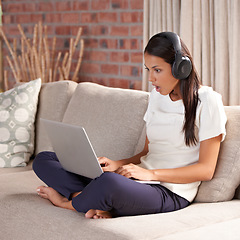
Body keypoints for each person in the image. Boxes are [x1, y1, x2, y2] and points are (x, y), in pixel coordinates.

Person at [33, 32, 227, 219]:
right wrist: (119, 164)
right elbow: (146, 152)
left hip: (170, 191)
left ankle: (68, 202)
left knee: (109, 183)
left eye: (157, 70)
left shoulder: (208, 101)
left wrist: (150, 174)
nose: (151, 78)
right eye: (148, 70)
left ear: (180, 68)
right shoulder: (156, 97)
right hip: (137, 180)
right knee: (45, 159)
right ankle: (92, 199)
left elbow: (206, 170)